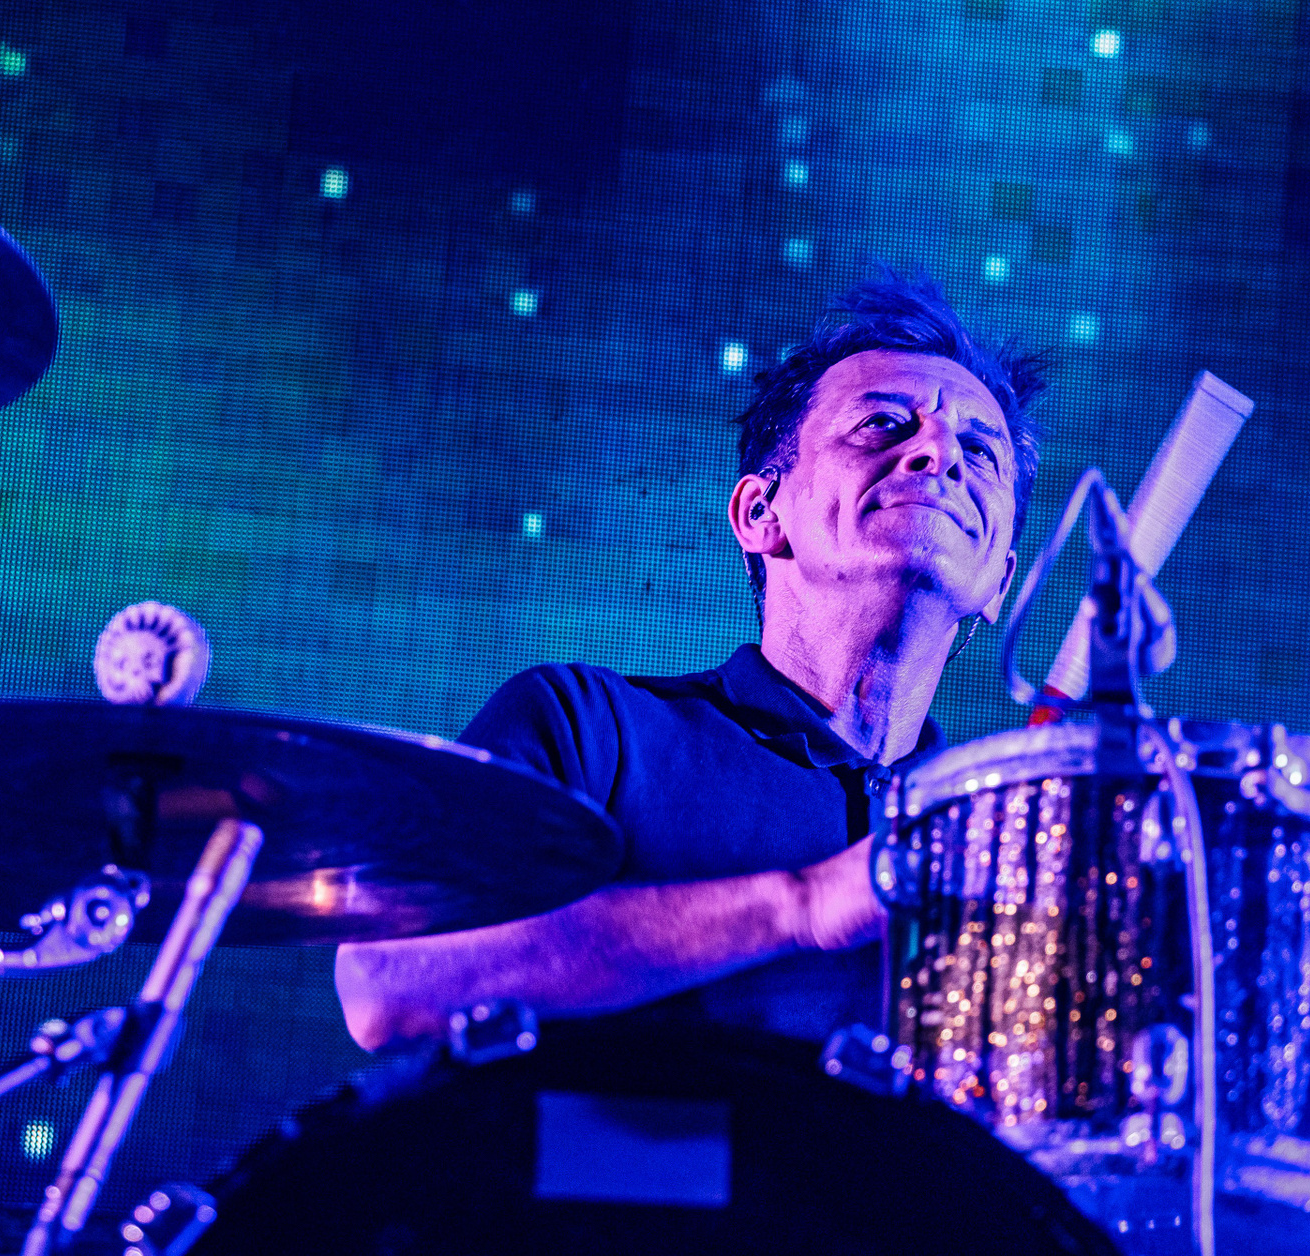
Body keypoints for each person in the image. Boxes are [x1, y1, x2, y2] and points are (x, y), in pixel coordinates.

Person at [335, 271, 1047, 1049]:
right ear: (761, 513)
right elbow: (387, 984)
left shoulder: (1004, 837)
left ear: (999, 581)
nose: (937, 453)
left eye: (980, 452)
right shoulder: (590, 728)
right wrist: (804, 904)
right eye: (881, 424)